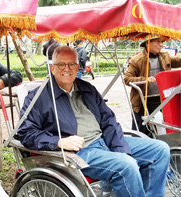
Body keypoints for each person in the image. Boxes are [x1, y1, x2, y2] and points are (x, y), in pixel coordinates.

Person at [18, 45, 170, 197]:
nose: (67, 69)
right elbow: (26, 133)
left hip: (104, 140)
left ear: (78, 67)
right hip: (79, 152)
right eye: (61, 64)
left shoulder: (87, 89)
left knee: (160, 150)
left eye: (71, 64)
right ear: (52, 68)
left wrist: (121, 150)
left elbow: (109, 120)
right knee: (127, 166)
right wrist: (58, 141)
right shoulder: (37, 97)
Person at [124, 36, 181, 136]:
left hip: (161, 99)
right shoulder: (136, 60)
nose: (161, 44)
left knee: (163, 128)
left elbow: (178, 61)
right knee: (141, 130)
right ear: (148, 43)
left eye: (162, 42)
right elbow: (127, 79)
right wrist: (145, 79)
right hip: (143, 101)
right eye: (158, 42)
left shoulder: (165, 56)